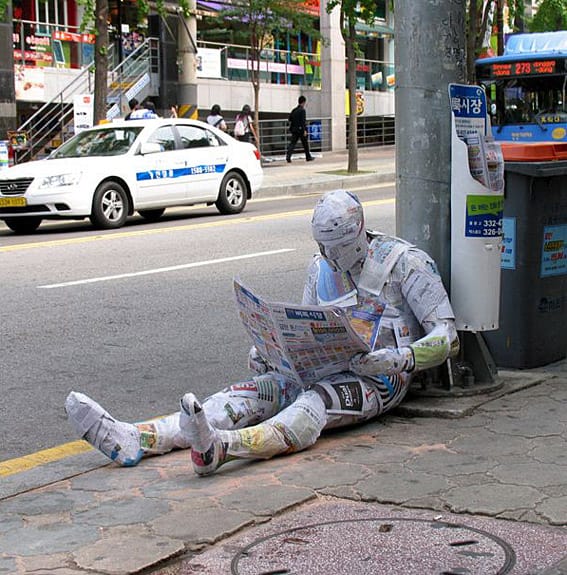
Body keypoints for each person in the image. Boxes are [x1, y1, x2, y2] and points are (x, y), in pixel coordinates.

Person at [65, 190, 459, 475]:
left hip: (379, 379)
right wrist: (273, 352)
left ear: (359, 232)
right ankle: (140, 437)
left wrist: (399, 357)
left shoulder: (405, 262)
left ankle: (225, 449)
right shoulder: (320, 268)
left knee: (315, 404)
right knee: (249, 393)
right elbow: (309, 326)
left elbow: (447, 337)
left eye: (336, 247)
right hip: (318, 368)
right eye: (322, 247)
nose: (329, 258)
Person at [286, 95, 314, 163]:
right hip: (301, 130)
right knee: (305, 144)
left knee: (292, 144)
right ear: (303, 102)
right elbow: (303, 121)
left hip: (294, 129)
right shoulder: (302, 111)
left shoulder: (294, 110)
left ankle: (288, 156)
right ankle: (308, 157)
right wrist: (304, 130)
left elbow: (290, 119)